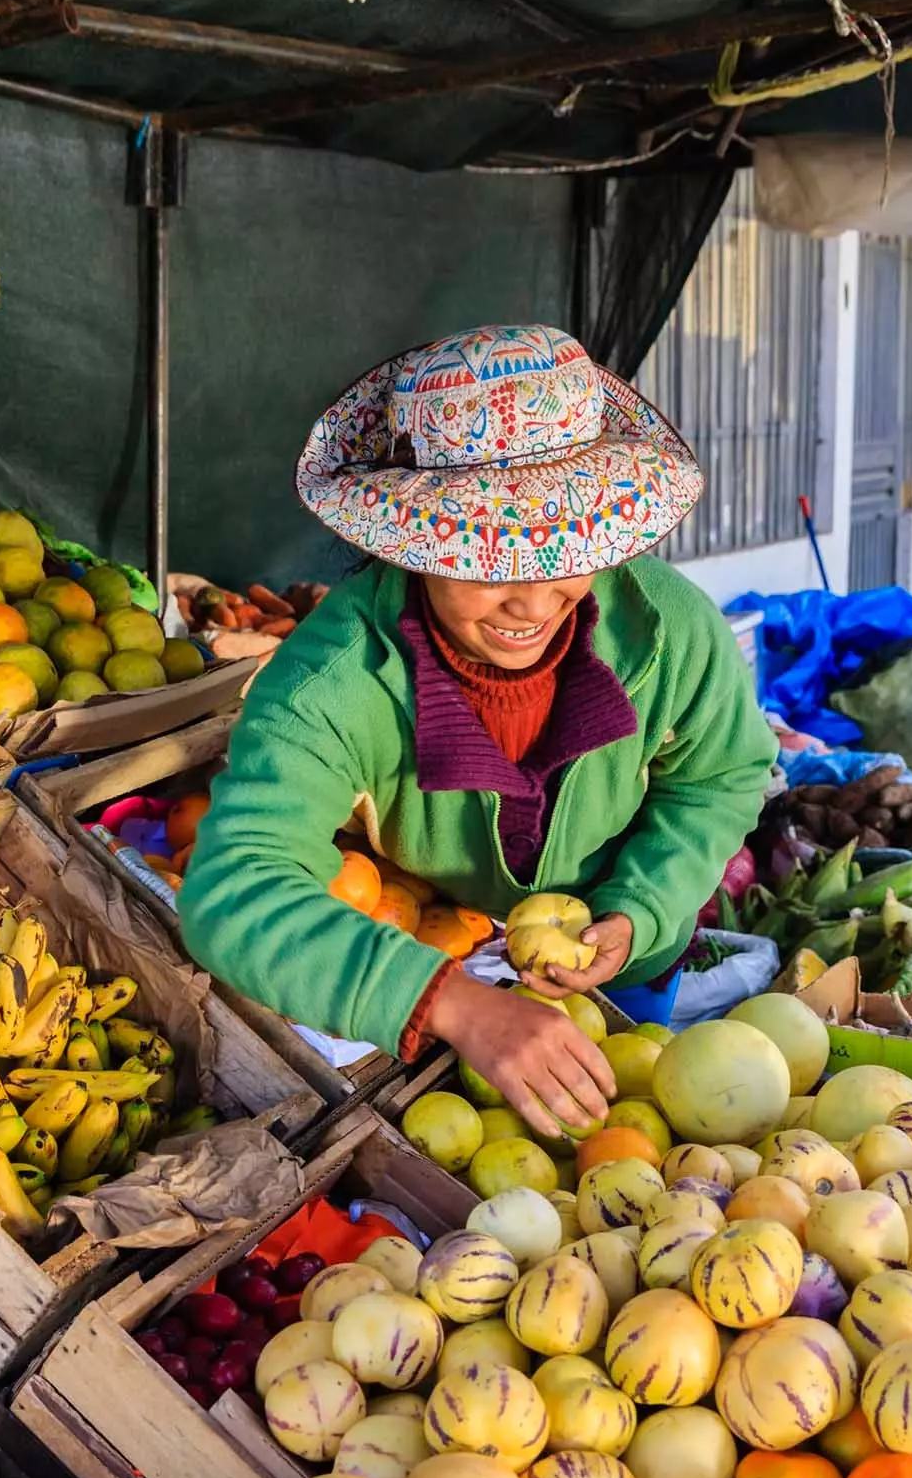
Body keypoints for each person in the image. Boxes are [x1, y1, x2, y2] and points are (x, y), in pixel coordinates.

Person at [179, 325, 776, 1140]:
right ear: (410, 543)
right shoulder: (333, 680)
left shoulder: (668, 628)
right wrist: (449, 1001)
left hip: (623, 960)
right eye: (487, 559)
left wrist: (640, 910)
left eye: (566, 549)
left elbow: (722, 776)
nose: (532, 602)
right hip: (423, 965)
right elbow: (232, 889)